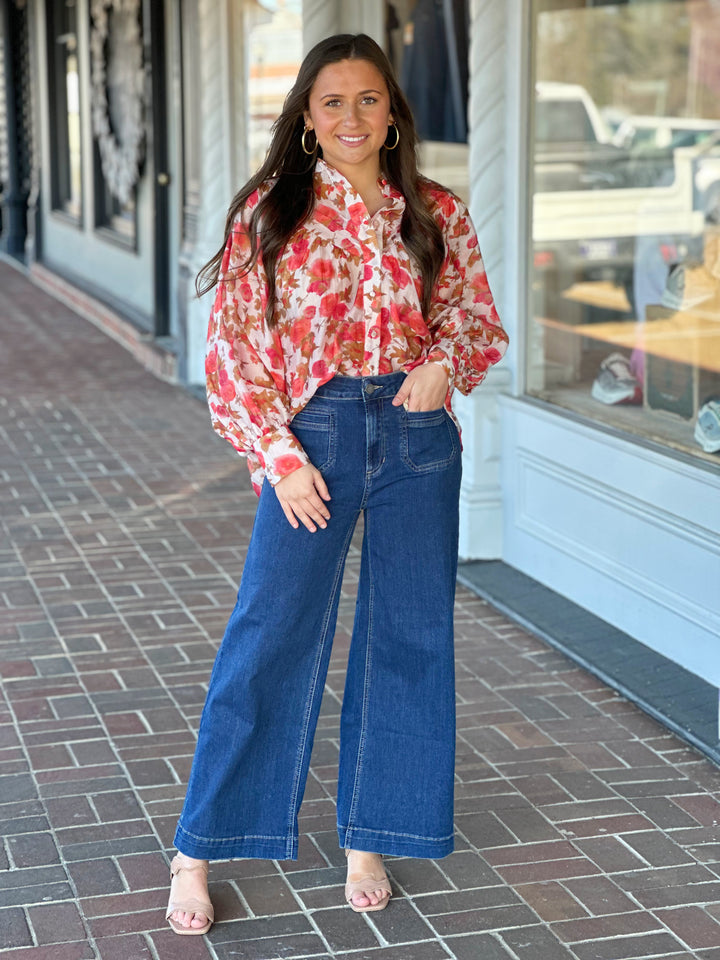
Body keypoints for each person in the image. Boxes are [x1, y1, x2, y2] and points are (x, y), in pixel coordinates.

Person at [166, 32, 508, 935]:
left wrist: (441, 367)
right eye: (332, 102)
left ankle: (371, 832)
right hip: (310, 438)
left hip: (417, 436)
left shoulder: (437, 212)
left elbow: (475, 320)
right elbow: (234, 351)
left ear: (391, 113)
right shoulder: (270, 213)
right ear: (308, 120)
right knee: (268, 634)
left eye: (368, 99)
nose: (351, 116)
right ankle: (197, 847)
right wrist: (278, 457)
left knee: (408, 637)